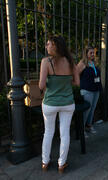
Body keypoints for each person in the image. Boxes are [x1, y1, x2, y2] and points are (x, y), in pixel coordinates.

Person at [39, 35, 79, 173]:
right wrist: (65, 83)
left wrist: (52, 85)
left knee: (48, 133)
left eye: (48, 44)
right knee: (65, 133)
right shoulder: (70, 62)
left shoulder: (46, 62)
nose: (46, 46)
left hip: (50, 103)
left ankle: (45, 162)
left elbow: (41, 85)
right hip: (67, 103)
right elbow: (77, 83)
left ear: (55, 46)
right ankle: (61, 164)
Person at [77, 46, 102, 136]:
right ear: (86, 54)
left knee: (92, 109)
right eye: (90, 53)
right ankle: (81, 129)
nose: (93, 54)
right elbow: (76, 74)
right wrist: (80, 84)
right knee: (86, 110)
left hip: (96, 89)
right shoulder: (83, 63)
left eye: (93, 53)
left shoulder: (94, 63)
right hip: (87, 90)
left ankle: (89, 125)